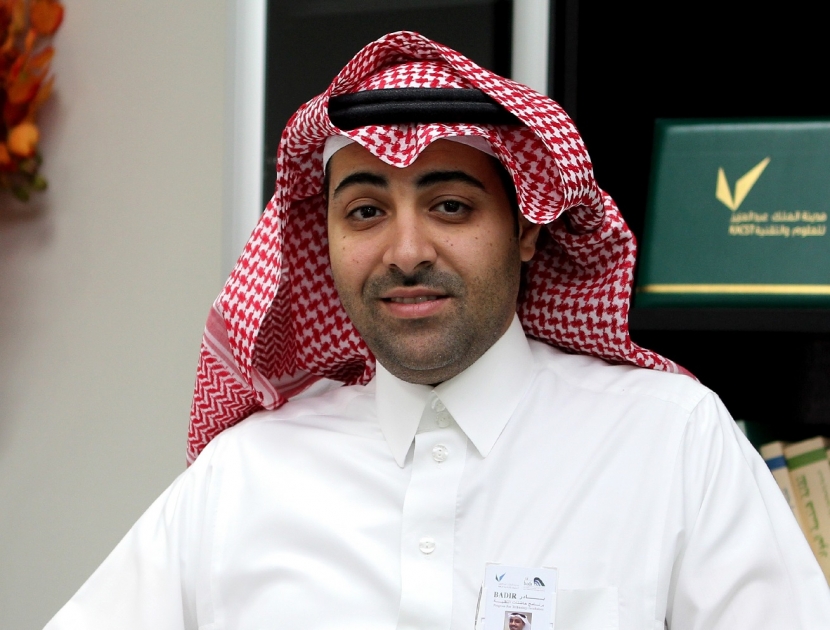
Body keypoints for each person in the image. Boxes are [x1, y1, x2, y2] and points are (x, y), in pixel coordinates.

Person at [45, 31, 830, 630]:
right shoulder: (243, 477)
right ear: (325, 239)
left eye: (450, 206)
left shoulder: (670, 443)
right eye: (365, 211)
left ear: (527, 228)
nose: (406, 251)